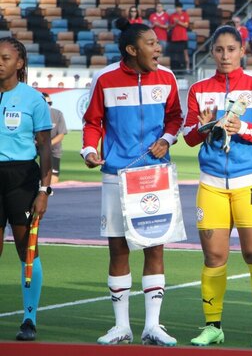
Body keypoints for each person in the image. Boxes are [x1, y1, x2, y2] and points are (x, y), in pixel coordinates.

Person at [81, 18, 183, 347]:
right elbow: (92, 121)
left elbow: (175, 117)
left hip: (154, 174)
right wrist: (88, 150)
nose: (158, 48)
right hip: (116, 175)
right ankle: (121, 326)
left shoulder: (166, 77)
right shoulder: (105, 79)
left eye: (157, 42)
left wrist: (167, 139)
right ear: (131, 49)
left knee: (155, 247)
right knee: (118, 249)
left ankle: (152, 326)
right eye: (151, 43)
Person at [182, 25, 252, 348]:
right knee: (214, 257)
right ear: (212, 52)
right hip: (210, 185)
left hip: (248, 181)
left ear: (242, 51)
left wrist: (243, 126)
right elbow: (189, 137)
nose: (225, 56)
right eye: (219, 50)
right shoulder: (199, 89)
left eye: (231, 49)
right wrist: (204, 124)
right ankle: (213, 326)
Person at [0, 37, 52, 341]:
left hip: (21, 176)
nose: (0, 62)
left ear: (20, 64)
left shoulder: (33, 99)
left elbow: (45, 148)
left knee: (26, 248)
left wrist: (45, 190)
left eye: (6, 58)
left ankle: (29, 319)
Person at [42, 92, 67, 185]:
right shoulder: (32, 114)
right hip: (34, 147)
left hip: (53, 149)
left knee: (54, 176)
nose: (48, 106)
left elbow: (61, 134)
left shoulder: (57, 114)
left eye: (50, 103)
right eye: (45, 103)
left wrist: (48, 144)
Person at [169, 3, 190, 72]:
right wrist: (175, 23)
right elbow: (170, 26)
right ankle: (176, 68)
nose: (178, 9)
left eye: (179, 8)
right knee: (175, 54)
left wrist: (178, 22)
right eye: (177, 8)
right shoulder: (172, 16)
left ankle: (187, 68)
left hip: (183, 38)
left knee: (185, 53)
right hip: (175, 38)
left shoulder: (185, 14)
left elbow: (186, 25)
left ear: (181, 8)